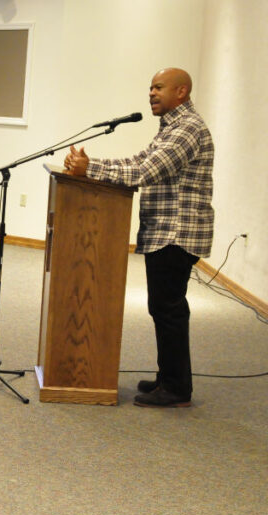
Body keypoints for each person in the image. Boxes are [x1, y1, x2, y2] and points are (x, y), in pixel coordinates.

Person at [64, 67, 213, 408]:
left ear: (182, 91)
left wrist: (91, 170)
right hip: (166, 231)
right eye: (150, 87)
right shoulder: (171, 127)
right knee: (164, 307)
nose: (151, 93)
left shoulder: (187, 129)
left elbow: (146, 172)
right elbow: (139, 159)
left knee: (168, 308)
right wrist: (91, 163)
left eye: (159, 87)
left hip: (177, 231)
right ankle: (169, 377)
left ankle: (177, 388)